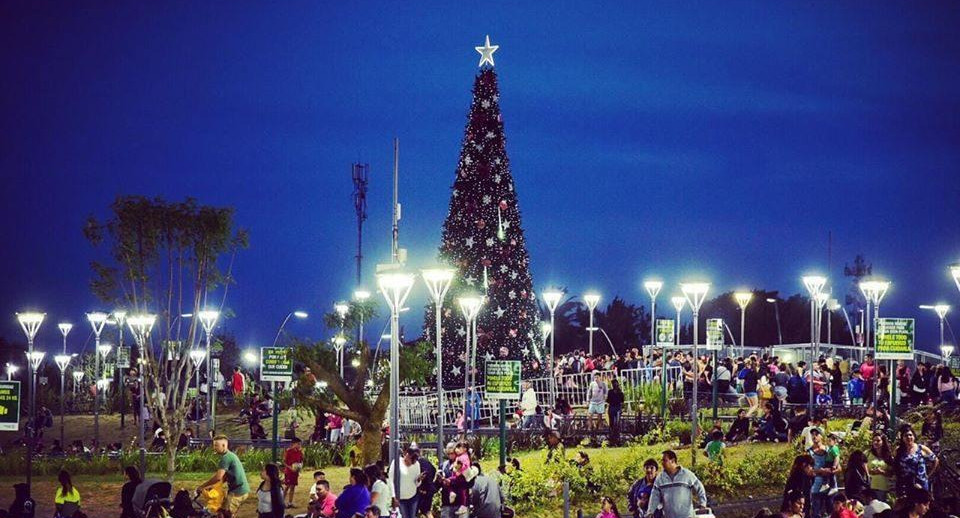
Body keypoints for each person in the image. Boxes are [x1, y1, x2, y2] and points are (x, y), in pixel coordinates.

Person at [197, 435, 251, 518]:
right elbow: (224, 477)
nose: (214, 448)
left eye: (216, 445)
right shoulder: (230, 455)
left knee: (226, 514)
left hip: (238, 491)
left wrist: (203, 486)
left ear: (224, 445)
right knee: (221, 511)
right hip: (240, 489)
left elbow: (218, 477)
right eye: (214, 445)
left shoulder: (225, 458)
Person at [647, 450, 707, 518]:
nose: (662, 463)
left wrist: (703, 504)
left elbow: (700, 488)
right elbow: (654, 496)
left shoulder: (687, 474)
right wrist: (650, 512)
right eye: (661, 460)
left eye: (664, 460)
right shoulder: (660, 478)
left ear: (672, 461)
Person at [894, 424, 938, 497]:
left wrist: (928, 475)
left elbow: (935, 460)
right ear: (902, 438)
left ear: (914, 436)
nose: (909, 437)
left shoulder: (921, 448)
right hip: (906, 484)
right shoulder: (899, 451)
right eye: (906, 435)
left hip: (921, 483)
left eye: (910, 435)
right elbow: (896, 466)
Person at [389, 445, 422, 518]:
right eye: (411, 459)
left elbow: (417, 484)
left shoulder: (417, 465)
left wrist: (419, 480)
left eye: (415, 461)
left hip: (413, 497)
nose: (412, 462)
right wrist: (393, 496)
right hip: (400, 499)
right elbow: (390, 480)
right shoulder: (397, 462)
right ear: (407, 454)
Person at [416, 447, 438, 518]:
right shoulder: (427, 462)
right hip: (429, 490)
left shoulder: (417, 463)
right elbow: (434, 470)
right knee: (427, 511)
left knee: (414, 512)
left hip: (420, 491)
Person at [283, 437, 304, 508]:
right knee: (287, 486)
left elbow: (301, 460)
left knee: (293, 487)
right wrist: (290, 468)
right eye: (298, 444)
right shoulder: (288, 451)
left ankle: (290, 502)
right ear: (293, 444)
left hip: (295, 472)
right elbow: (284, 462)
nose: (299, 445)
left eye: (300, 444)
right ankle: (281, 502)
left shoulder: (299, 452)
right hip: (289, 472)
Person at [607, 378, 625, 444]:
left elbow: (622, 402)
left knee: (617, 422)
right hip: (612, 407)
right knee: (612, 422)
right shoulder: (610, 392)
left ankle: (617, 436)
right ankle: (612, 436)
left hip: (617, 407)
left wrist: (621, 409)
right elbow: (608, 400)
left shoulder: (620, 393)